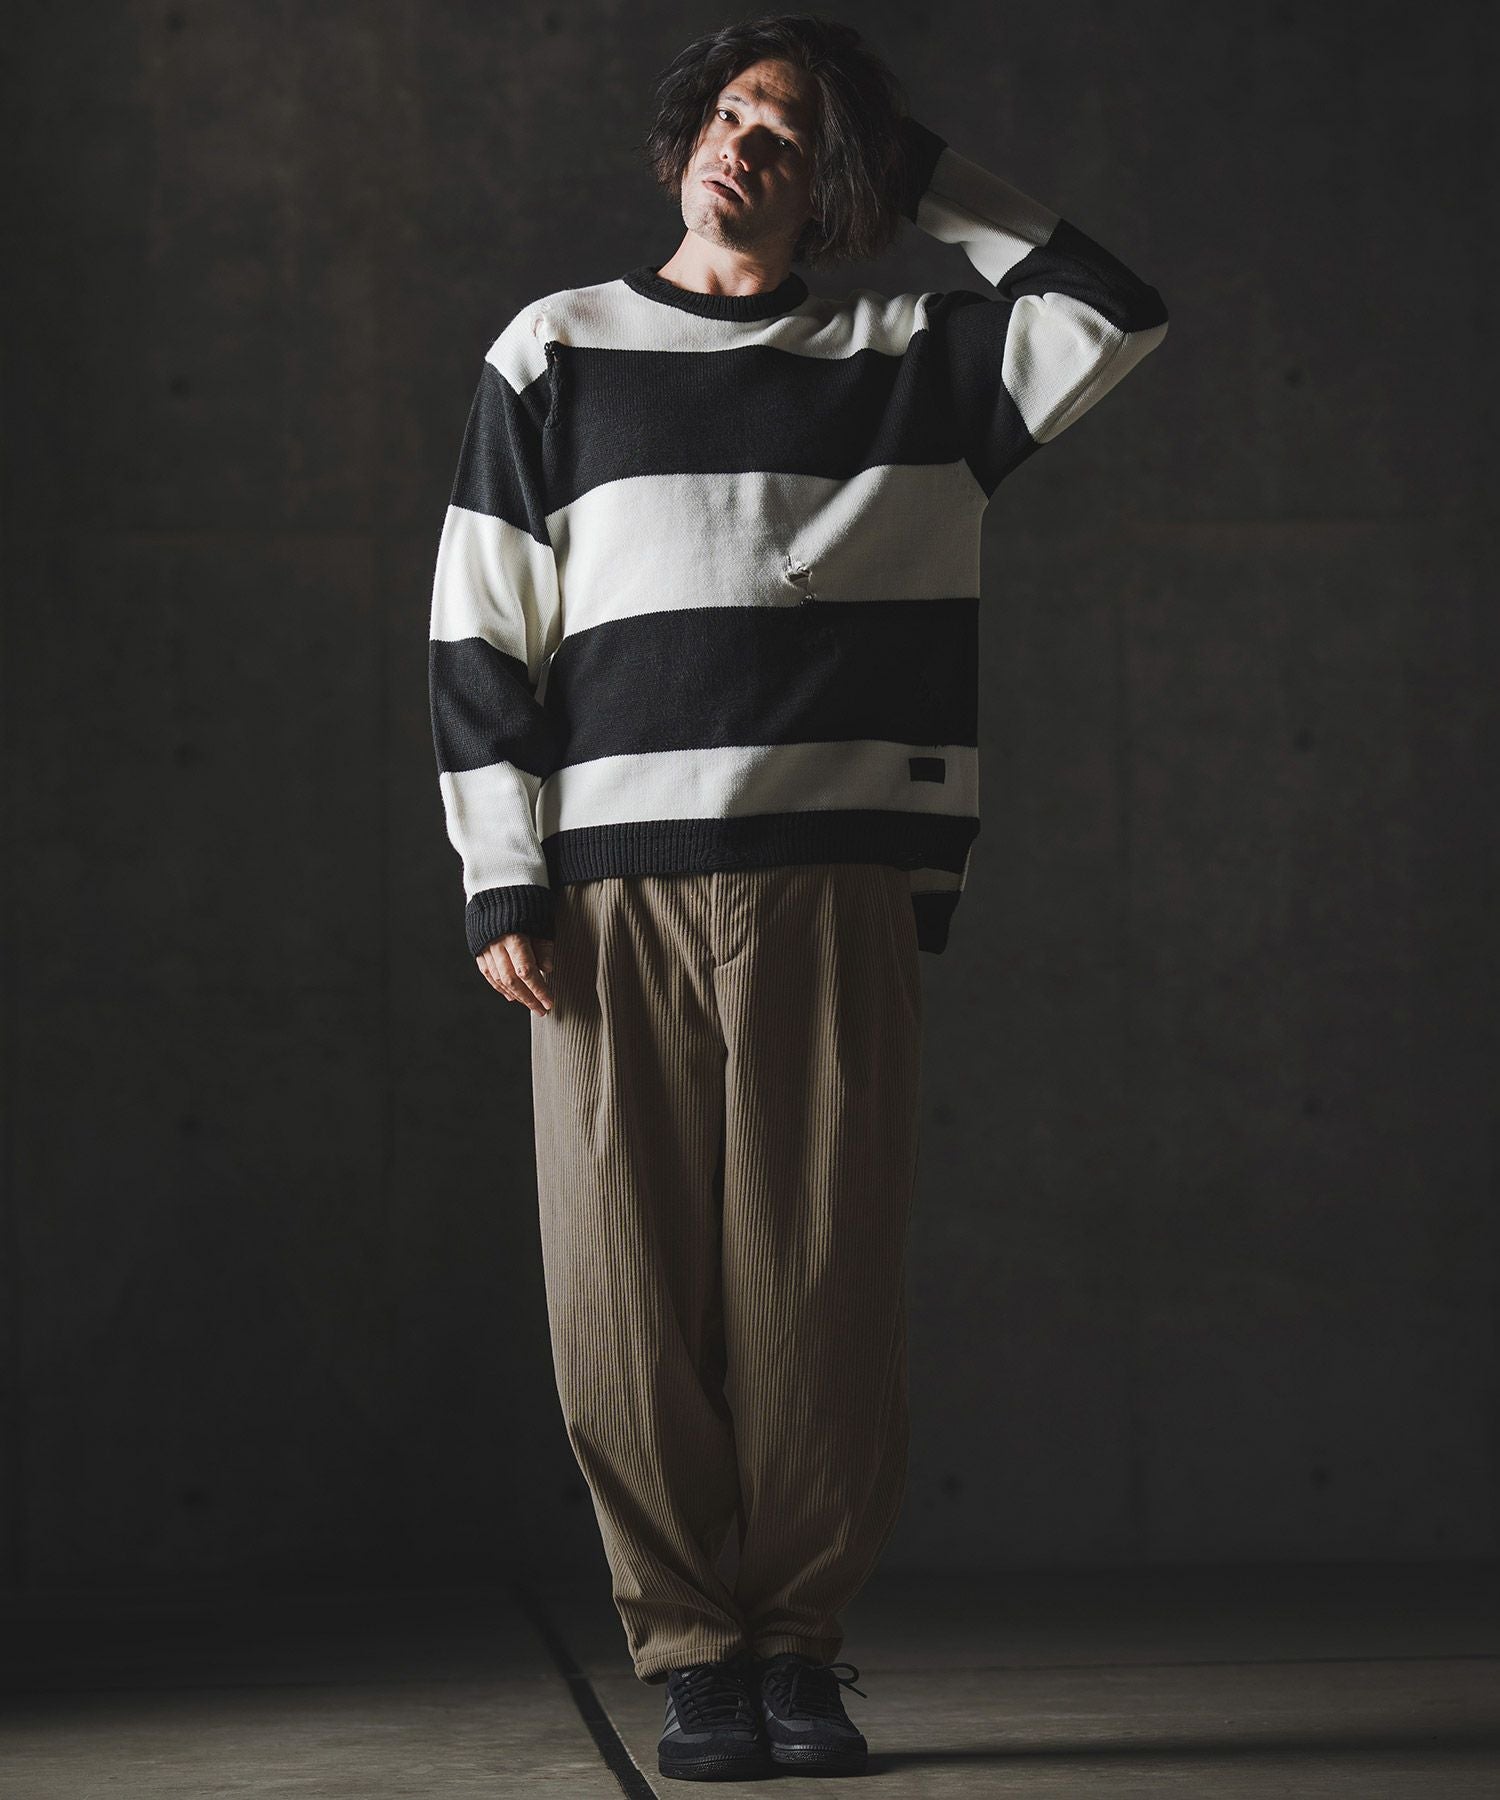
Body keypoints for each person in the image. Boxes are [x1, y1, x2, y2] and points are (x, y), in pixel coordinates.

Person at [427, 11, 1167, 1782]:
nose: (745, 145)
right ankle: (695, 1654)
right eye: (732, 113)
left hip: (836, 879)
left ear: (841, 183)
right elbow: (481, 626)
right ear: (689, 134)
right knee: (623, 1294)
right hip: (606, 896)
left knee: (818, 1285)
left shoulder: (912, 359)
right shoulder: (557, 348)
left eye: (791, 134)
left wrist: (921, 173)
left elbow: (1113, 311)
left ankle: (799, 1654)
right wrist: (501, 871)